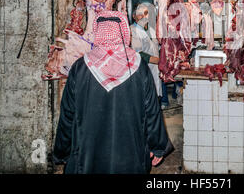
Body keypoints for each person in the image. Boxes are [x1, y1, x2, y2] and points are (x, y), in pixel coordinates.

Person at [53, 10, 173, 174]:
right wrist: (157, 146)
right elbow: (152, 112)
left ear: (97, 32)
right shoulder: (139, 67)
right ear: (124, 32)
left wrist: (62, 151)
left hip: (87, 159)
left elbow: (67, 115)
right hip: (131, 157)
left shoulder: (80, 68)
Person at [130, 3, 162, 97]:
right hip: (143, 71)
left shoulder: (151, 30)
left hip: (156, 71)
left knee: (156, 97)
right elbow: (137, 53)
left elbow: (156, 47)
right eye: (140, 14)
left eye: (146, 14)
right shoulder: (132, 30)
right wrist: (159, 61)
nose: (144, 17)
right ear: (134, 16)